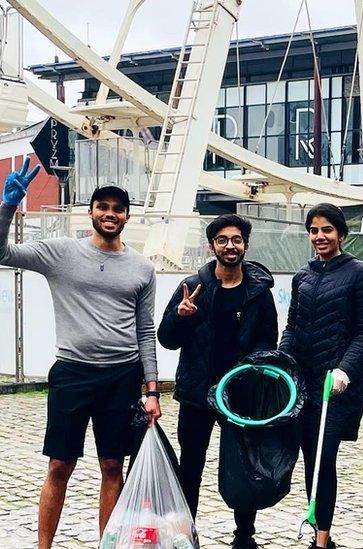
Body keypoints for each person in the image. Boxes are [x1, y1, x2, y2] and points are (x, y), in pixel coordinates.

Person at [0, 162, 160, 549]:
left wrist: (152, 389)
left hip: (121, 377)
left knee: (112, 466)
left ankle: (108, 544)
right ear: (90, 212)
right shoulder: (61, 253)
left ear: (127, 216)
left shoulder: (142, 267)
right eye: (102, 206)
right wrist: (7, 208)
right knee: (59, 465)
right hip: (72, 373)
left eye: (118, 208)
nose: (110, 214)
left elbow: (145, 331)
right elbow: (2, 252)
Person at [156, 214, 278, 549]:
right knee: (190, 466)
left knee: (243, 466)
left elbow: (269, 343)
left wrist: (252, 372)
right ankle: (186, 533)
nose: (230, 246)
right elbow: (166, 339)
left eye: (236, 239)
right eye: (222, 240)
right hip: (197, 395)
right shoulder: (194, 287)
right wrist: (180, 318)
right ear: (212, 246)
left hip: (240, 397)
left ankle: (244, 535)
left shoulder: (258, 292)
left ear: (246, 245)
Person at [278, 203, 363, 549]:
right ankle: (321, 529)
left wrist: (344, 370)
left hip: (336, 387)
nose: (320, 237)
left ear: (341, 233)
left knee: (324, 457)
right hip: (303, 384)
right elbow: (292, 325)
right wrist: (283, 361)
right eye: (314, 230)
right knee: (310, 456)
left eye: (327, 230)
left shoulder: (360, 273)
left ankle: (320, 539)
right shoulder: (302, 276)